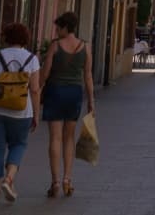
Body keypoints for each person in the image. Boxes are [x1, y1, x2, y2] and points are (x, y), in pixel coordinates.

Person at [0, 22, 40, 206]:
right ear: (25, 39)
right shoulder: (32, 59)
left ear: (6, 37)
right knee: (18, 144)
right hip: (21, 112)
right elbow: (35, 90)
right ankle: (9, 179)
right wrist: (36, 114)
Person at [40, 11, 93, 198]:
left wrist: (37, 91)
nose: (56, 31)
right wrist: (91, 101)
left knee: (55, 138)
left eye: (58, 28)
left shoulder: (55, 46)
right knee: (69, 137)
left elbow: (45, 74)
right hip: (74, 93)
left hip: (55, 92)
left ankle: (54, 182)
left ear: (64, 27)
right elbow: (88, 75)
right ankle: (67, 179)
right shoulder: (85, 47)